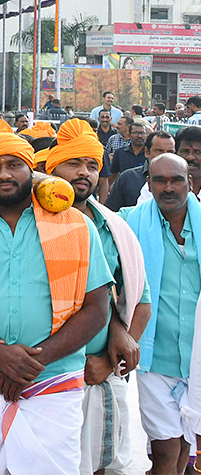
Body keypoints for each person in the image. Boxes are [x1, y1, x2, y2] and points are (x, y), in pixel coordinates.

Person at [0, 120, 112, 475]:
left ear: (33, 170)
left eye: (14, 164)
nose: (4, 175)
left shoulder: (75, 225)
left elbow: (97, 309)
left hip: (53, 383)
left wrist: (30, 364)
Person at [47, 118, 150, 475]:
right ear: (52, 168)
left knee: (102, 467)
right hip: (41, 377)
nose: (84, 173)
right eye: (73, 163)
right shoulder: (28, 222)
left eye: (92, 165)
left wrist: (110, 362)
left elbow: (140, 303)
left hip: (97, 376)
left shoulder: (114, 227)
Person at [122, 152, 201, 475]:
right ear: (149, 185)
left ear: (190, 183)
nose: (169, 188)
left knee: (187, 446)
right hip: (156, 356)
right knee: (164, 447)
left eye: (176, 180)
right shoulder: (130, 224)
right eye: (160, 180)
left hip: (198, 356)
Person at [109, 129, 176, 211]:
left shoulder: (180, 181)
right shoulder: (127, 178)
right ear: (147, 152)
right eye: (159, 151)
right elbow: (111, 213)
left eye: (170, 152)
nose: (165, 156)